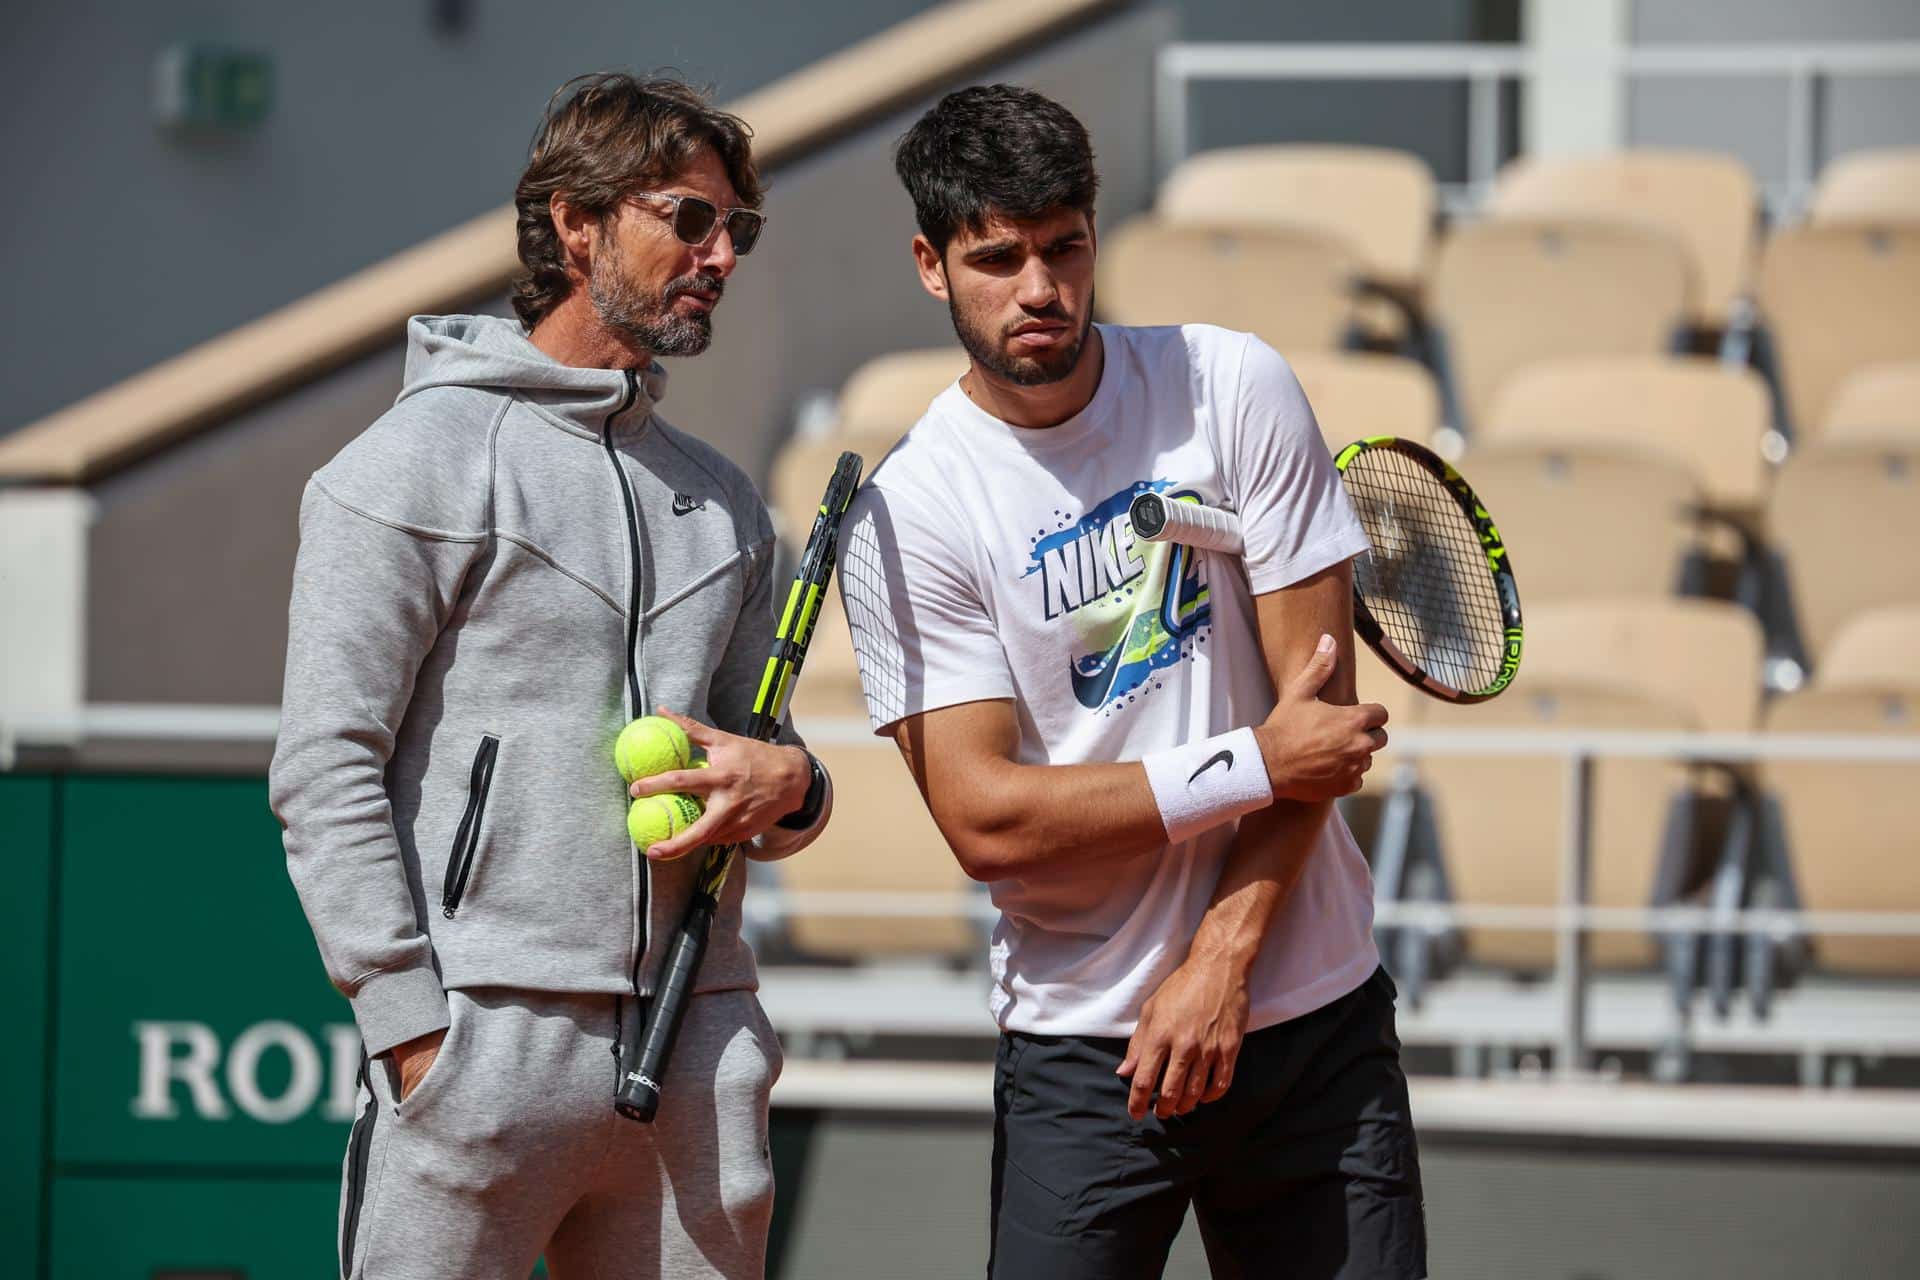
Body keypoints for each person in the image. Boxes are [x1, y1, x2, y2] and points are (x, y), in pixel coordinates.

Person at [837, 84, 1425, 1278]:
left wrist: (1222, 959)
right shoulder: (913, 511)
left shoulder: (1233, 386)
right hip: (1084, 1052)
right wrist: (1251, 761)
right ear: (930, 264)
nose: (1040, 288)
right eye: (996, 258)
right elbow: (987, 818)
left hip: (1309, 1017)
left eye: (1064, 246)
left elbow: (1317, 720)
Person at [268, 73, 833, 1280]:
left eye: (738, 228)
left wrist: (794, 785)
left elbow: (755, 770)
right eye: (688, 218)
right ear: (576, 222)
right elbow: (324, 767)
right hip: (478, 1047)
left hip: (694, 1048)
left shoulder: (727, 504)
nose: (721, 253)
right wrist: (413, 1032)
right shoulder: (406, 467)